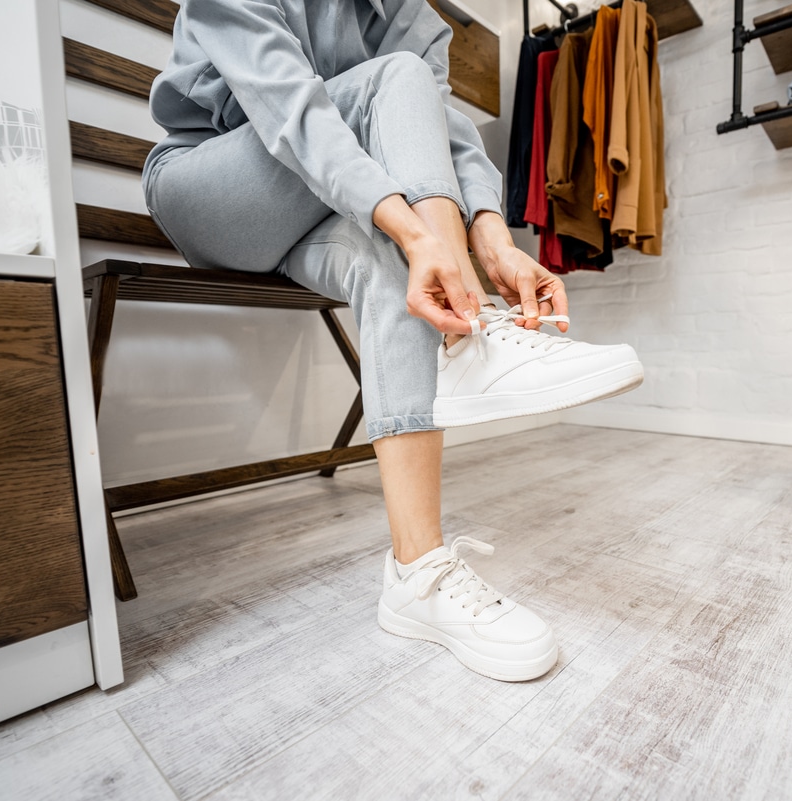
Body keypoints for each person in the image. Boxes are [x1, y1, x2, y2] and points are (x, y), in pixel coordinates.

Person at [142, 0, 642, 682]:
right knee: (394, 91)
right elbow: (292, 109)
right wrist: (420, 236)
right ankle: (467, 341)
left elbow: (439, 128)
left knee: (388, 256)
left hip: (323, 193)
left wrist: (494, 239)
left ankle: (417, 574)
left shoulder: (410, 11)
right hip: (213, 188)